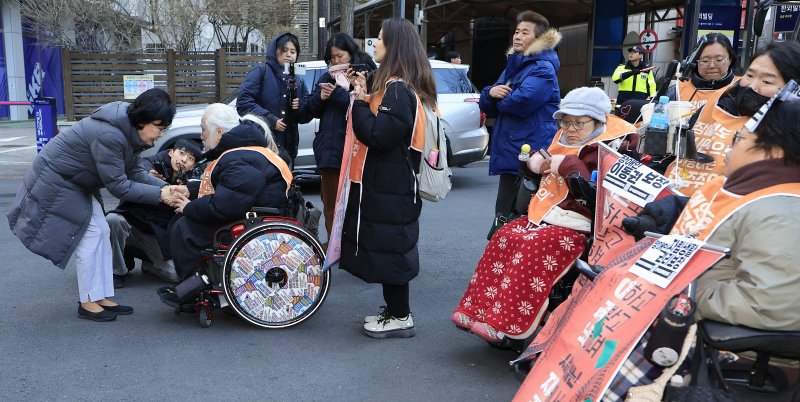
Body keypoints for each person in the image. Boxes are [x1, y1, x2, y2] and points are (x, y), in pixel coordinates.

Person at [603, 85, 800, 401]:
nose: (726, 151)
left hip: (738, 341)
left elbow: (772, 303)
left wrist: (689, 295)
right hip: (725, 319)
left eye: (738, 141)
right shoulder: (761, 192)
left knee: (611, 339)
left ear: (773, 151)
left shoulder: (781, 206)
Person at [452, 87, 639, 344]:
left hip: (580, 222)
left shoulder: (608, 148)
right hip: (548, 215)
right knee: (504, 236)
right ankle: (476, 311)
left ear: (598, 122)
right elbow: (543, 170)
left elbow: (593, 191)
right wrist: (532, 163)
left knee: (532, 247)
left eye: (579, 123)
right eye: (566, 121)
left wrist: (564, 165)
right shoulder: (562, 138)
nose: (570, 128)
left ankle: (508, 325)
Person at [6, 88, 183, 322]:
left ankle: (101, 296)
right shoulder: (112, 135)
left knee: (101, 230)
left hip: (77, 181)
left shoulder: (127, 129)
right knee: (90, 235)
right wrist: (160, 195)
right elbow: (119, 186)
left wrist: (164, 188)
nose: (161, 134)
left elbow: (134, 171)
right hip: (59, 180)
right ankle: (87, 301)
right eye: (160, 127)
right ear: (144, 120)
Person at [343, 18, 437, 339]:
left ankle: (400, 316)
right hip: (391, 186)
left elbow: (377, 135)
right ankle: (396, 312)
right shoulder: (399, 86)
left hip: (392, 187)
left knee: (393, 250)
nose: (375, 45)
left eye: (379, 40)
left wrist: (358, 100)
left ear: (394, 45)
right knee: (389, 247)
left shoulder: (397, 91)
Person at [168, 105, 292, 281]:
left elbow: (226, 205)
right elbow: (230, 189)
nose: (201, 136)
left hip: (252, 220)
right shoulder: (244, 150)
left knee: (184, 228)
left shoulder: (239, 157)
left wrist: (190, 207)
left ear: (219, 132)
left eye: (204, 130)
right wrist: (191, 190)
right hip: (253, 212)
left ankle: (192, 290)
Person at [665, 41, 800, 194]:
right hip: (672, 197)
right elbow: (675, 153)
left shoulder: (790, 134)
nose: (752, 86)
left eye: (766, 81)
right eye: (749, 75)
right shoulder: (719, 101)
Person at [479, 10, 561, 217]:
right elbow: (487, 103)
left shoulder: (543, 68)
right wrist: (490, 93)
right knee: (504, 211)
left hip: (530, 151)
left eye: (525, 32)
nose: (518, 36)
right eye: (517, 32)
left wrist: (496, 97)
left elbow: (520, 102)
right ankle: (502, 247)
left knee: (521, 211)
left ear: (539, 38)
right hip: (512, 146)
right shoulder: (514, 65)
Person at [304, 32, 377, 250]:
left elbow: (366, 107)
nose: (336, 61)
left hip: (357, 148)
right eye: (332, 58)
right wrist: (321, 97)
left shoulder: (366, 74)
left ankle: (357, 245)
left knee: (358, 201)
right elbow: (308, 112)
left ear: (351, 53)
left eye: (340, 56)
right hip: (330, 149)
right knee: (330, 201)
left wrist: (337, 94)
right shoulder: (328, 77)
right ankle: (335, 245)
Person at [106, 139, 203, 287]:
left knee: (175, 275)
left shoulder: (191, 181)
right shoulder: (154, 165)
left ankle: (149, 265)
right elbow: (139, 169)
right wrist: (146, 175)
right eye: (181, 153)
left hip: (155, 233)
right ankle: (117, 270)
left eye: (190, 159)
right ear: (171, 152)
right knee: (113, 220)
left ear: (193, 165)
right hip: (131, 223)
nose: (183, 160)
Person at [236, 32, 312, 165]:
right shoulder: (261, 71)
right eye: (284, 50)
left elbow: (305, 115)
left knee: (286, 183)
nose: (289, 54)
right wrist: (271, 120)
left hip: (288, 149)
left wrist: (299, 108)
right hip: (262, 144)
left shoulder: (299, 80)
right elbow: (243, 103)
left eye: (293, 51)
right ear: (274, 51)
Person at [666, 33, 737, 109]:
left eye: (719, 60)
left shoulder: (741, 89)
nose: (712, 66)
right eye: (705, 60)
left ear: (730, 60)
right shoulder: (677, 90)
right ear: (696, 62)